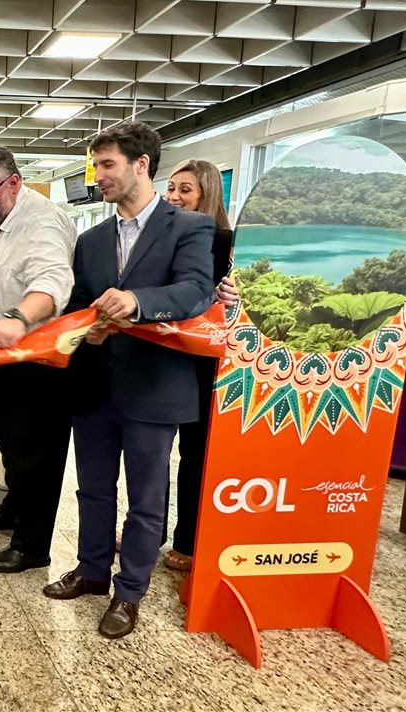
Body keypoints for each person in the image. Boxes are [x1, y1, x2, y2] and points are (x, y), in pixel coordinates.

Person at [43, 122, 214, 640]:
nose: (98, 176)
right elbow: (79, 304)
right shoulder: (92, 238)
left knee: (145, 499)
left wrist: (139, 302)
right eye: (95, 166)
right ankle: (92, 571)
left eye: (107, 165)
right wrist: (82, 330)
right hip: (95, 384)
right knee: (93, 489)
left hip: (155, 387)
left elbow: (195, 292)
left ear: (142, 165)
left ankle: (130, 592)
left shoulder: (187, 228)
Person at [0, 145, 77, 574]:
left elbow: (53, 280)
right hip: (0, 359)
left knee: (36, 456)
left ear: (13, 182)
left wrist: (19, 317)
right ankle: (13, 511)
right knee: (11, 446)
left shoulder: (42, 222)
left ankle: (32, 545)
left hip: (37, 363)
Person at [162, 159, 236, 572]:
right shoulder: (162, 238)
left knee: (194, 452)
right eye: (171, 189)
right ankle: (148, 529)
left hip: (204, 361)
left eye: (185, 189)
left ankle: (188, 538)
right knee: (152, 451)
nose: (174, 197)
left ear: (207, 193)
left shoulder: (226, 243)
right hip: (163, 353)